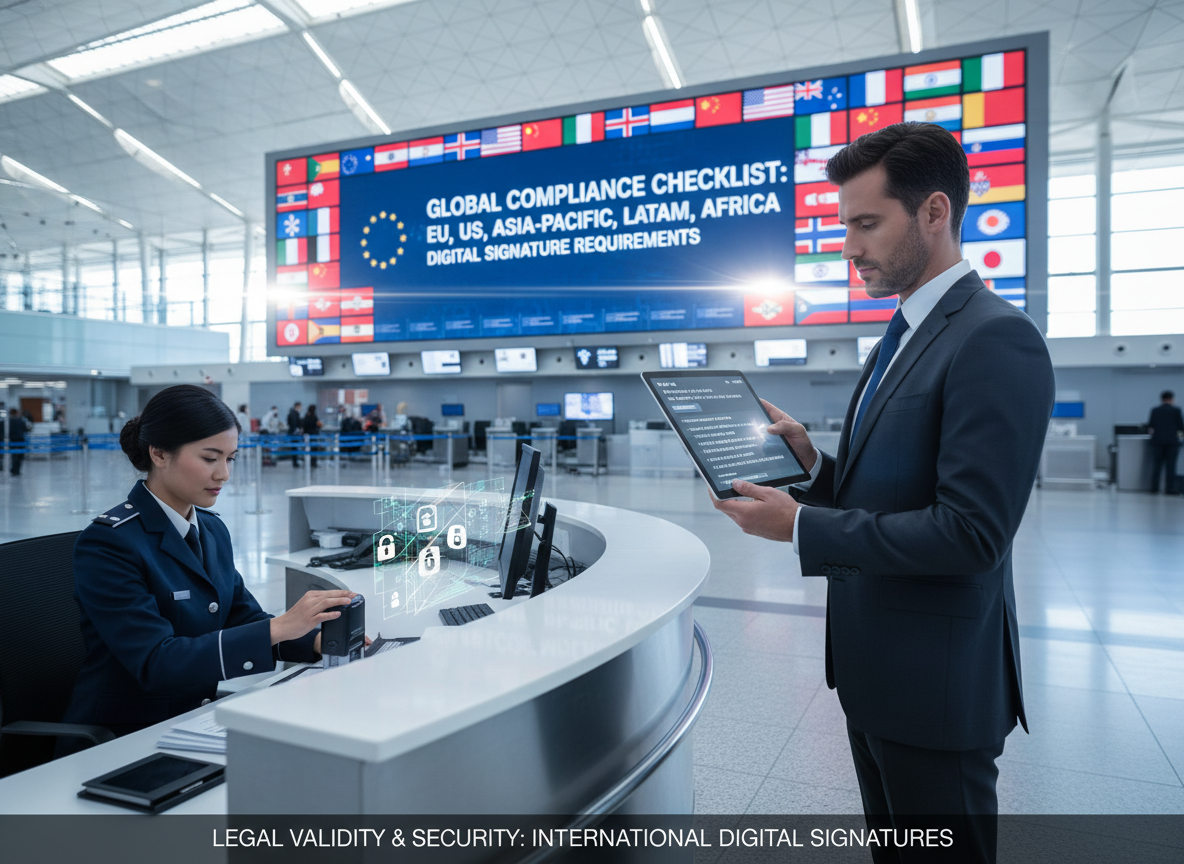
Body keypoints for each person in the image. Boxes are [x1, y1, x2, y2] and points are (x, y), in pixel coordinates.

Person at [711, 123, 1054, 863]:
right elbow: (899, 489)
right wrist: (815, 468)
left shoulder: (995, 338)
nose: (849, 246)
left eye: (867, 224)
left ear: (934, 213)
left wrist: (802, 528)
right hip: (877, 675)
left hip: (936, 687)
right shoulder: (900, 335)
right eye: (844, 226)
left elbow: (970, 534)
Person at [60, 385, 362, 753]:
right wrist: (279, 627)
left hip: (191, 722)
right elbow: (156, 661)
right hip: (120, 738)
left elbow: (240, 615)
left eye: (230, 458)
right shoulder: (110, 543)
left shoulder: (212, 529)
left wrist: (315, 641)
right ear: (159, 453)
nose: (224, 474)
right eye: (209, 458)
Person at [1148, 390, 1184, 494]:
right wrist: (1180, 438)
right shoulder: (1176, 410)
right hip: (1172, 442)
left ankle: (1154, 488)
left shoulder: (1155, 410)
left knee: (1157, 465)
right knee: (1171, 466)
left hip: (1157, 442)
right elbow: (1181, 428)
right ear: (1171, 399)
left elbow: (1150, 426)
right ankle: (1170, 489)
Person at [7, 407, 28, 476]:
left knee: (13, 455)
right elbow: (25, 429)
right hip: (20, 440)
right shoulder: (21, 420)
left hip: (12, 440)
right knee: (20, 456)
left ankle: (13, 469)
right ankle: (17, 470)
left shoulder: (8, 421)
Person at [302, 404, 322, 469]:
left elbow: (303, 426)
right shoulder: (315, 417)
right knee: (314, 450)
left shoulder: (306, 417)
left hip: (307, 436)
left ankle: (306, 462)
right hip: (314, 435)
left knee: (306, 449)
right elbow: (318, 425)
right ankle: (313, 463)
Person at [287, 401, 303, 467]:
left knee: (294, 448)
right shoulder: (294, 414)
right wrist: (297, 429)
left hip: (294, 432)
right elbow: (294, 423)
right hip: (294, 433)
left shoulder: (293, 413)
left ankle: (295, 462)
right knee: (294, 447)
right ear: (297, 406)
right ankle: (295, 462)